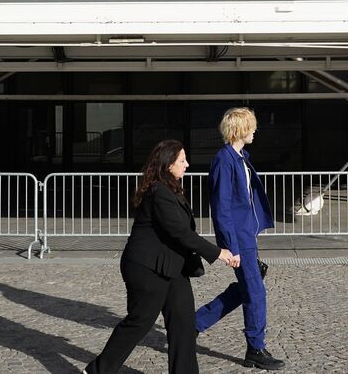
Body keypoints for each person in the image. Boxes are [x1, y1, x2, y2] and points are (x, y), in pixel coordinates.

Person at [86, 140, 239, 374]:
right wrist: (219, 253)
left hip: (172, 267)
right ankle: (98, 370)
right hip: (146, 268)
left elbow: (180, 233)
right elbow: (180, 232)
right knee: (140, 322)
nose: (187, 164)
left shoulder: (171, 188)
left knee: (183, 322)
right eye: (182, 160)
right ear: (168, 165)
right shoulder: (159, 192)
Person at [194, 108, 285, 370]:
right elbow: (221, 206)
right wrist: (229, 246)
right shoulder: (224, 160)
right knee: (256, 293)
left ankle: (194, 324)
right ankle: (255, 349)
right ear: (241, 129)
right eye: (252, 127)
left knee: (248, 288)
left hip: (247, 235)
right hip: (239, 239)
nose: (256, 131)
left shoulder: (240, 157)